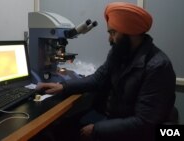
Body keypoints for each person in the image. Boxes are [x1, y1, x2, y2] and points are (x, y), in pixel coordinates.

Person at [36, 2, 176, 141]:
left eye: (113, 33)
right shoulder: (119, 53)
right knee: (59, 128)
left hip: (136, 133)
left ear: (131, 33)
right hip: (114, 118)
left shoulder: (158, 67)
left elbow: (144, 123)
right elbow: (97, 79)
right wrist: (63, 87)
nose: (110, 39)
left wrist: (97, 130)